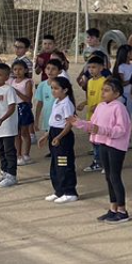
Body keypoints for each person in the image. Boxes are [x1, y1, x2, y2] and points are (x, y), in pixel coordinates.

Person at [74, 78, 132, 223]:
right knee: (108, 176)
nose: (103, 93)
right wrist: (78, 123)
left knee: (115, 176)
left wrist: (101, 130)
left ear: (117, 93)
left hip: (116, 146)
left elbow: (121, 129)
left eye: (107, 90)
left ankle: (122, 210)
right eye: (103, 90)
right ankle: (113, 208)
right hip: (103, 143)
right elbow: (93, 124)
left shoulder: (119, 107)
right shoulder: (100, 106)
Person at [43, 76, 79, 204]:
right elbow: (54, 121)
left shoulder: (67, 104)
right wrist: (48, 135)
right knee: (55, 164)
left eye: (56, 88)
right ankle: (59, 190)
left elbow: (69, 124)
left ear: (65, 90)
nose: (53, 91)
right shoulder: (56, 101)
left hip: (63, 136)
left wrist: (59, 137)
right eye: (52, 88)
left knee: (64, 163)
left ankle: (70, 191)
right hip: (54, 132)